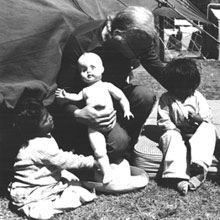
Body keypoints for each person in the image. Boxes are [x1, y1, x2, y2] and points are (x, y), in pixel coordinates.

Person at [49, 6, 166, 164]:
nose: (140, 57)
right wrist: (79, 114)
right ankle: (100, 148)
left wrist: (186, 86)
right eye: (137, 53)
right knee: (117, 144)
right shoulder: (82, 41)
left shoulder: (138, 40)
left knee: (144, 95)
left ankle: (124, 148)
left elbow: (161, 72)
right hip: (87, 106)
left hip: (114, 99)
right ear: (118, 36)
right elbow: (63, 90)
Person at [8, 98, 96, 220]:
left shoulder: (42, 137)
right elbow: (64, 160)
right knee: (75, 191)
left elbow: (55, 158)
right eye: (44, 120)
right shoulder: (38, 145)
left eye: (48, 114)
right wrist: (90, 162)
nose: (50, 118)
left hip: (40, 178)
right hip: (33, 191)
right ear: (33, 129)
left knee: (70, 177)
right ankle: (36, 208)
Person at [55, 52, 133, 184]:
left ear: (102, 69)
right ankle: (106, 172)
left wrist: (127, 110)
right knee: (99, 151)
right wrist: (65, 95)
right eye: (83, 70)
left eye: (93, 67)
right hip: (93, 127)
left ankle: (116, 162)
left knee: (121, 140)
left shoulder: (107, 85)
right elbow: (76, 97)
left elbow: (121, 97)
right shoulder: (85, 91)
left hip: (111, 123)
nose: (88, 72)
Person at [157, 58, 216, 195]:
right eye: (179, 87)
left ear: (194, 85)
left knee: (209, 129)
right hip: (176, 132)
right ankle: (178, 176)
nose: (183, 91)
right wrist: (173, 128)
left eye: (187, 88)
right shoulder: (166, 98)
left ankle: (199, 169)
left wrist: (198, 119)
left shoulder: (197, 97)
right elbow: (163, 119)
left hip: (196, 133)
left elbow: (207, 117)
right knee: (170, 136)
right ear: (171, 85)